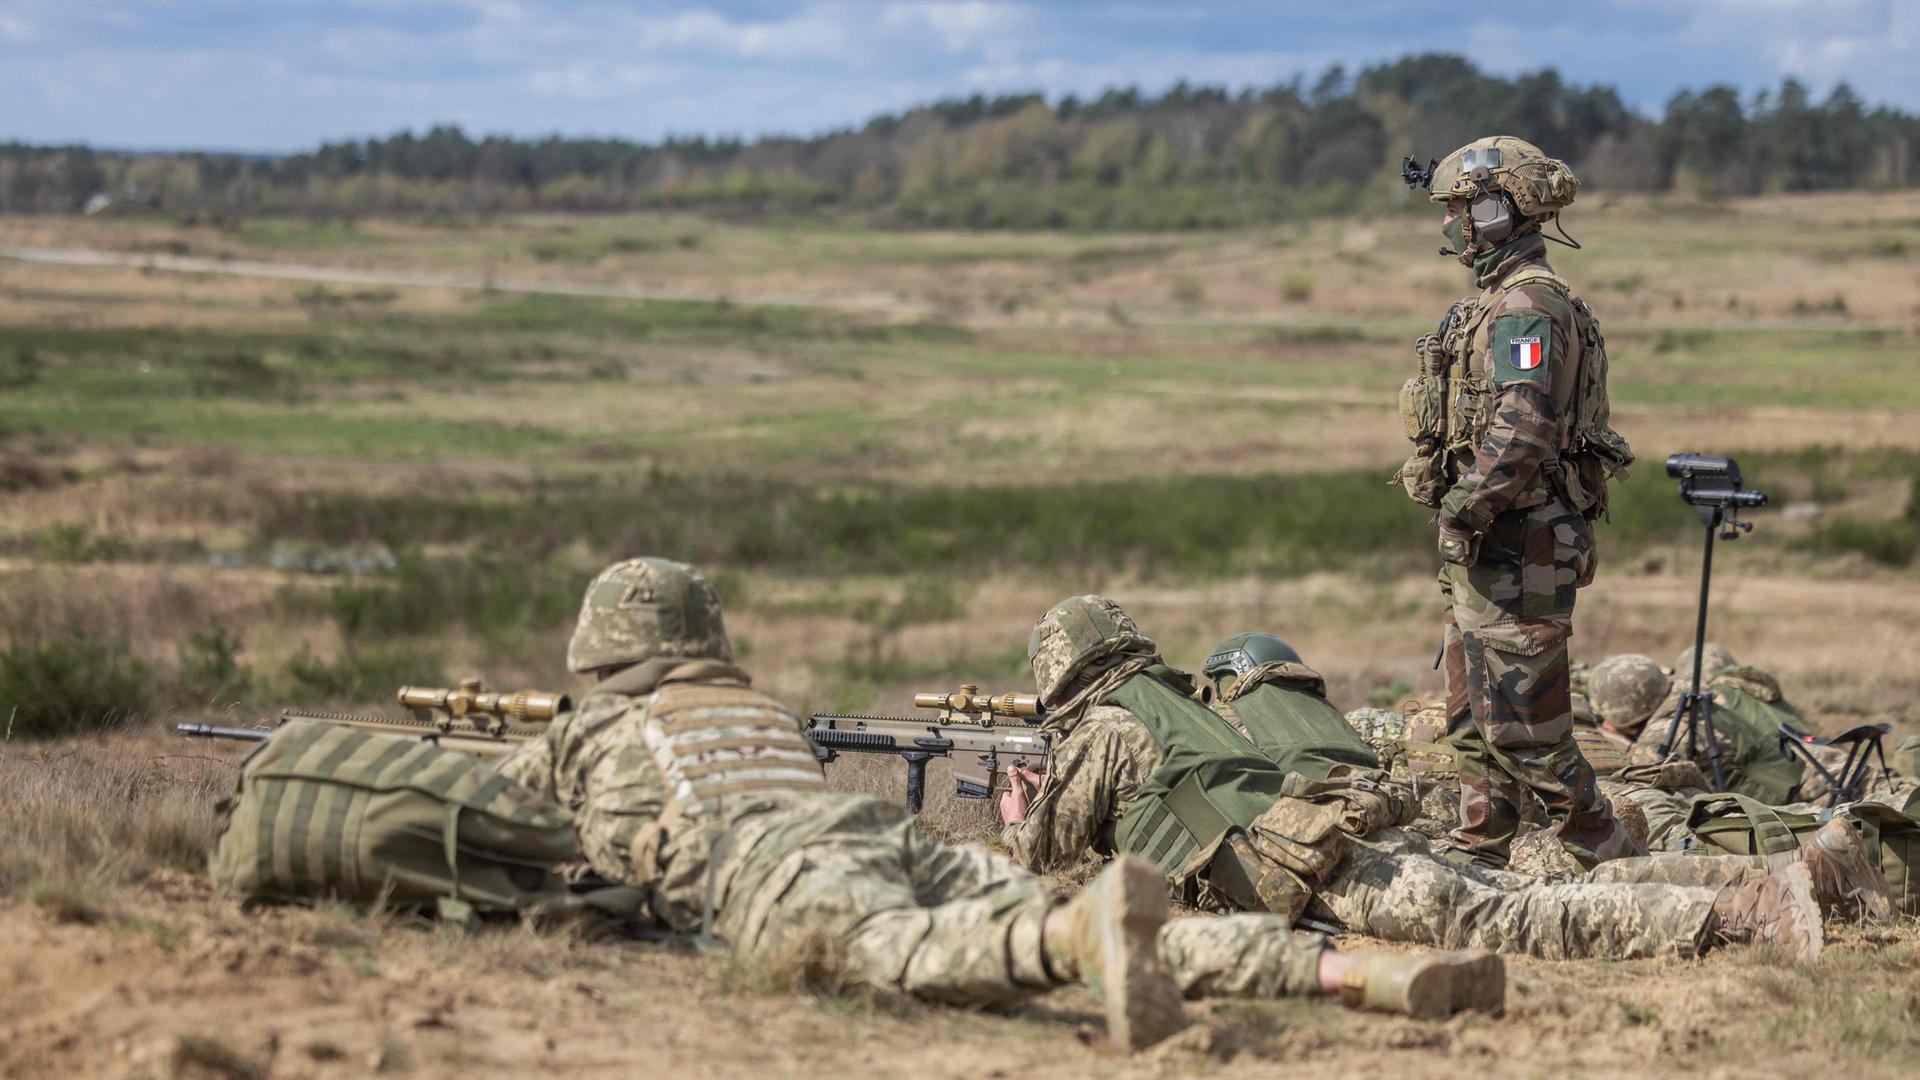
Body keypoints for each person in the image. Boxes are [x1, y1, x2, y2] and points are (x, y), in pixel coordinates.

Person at [495, 560, 1497, 1048]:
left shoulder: (592, 731)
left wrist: (1026, 817)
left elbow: (505, 830)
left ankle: (1095, 950)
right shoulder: (750, 712)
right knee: (1068, 918)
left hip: (785, 877)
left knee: (945, 949)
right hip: (864, 835)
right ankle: (1345, 973)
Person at [1000, 596, 1893, 965]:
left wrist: (1013, 811)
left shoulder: (1106, 728)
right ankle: (1797, 874)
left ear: (1060, 671)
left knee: (1509, 917)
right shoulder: (1177, 698)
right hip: (1342, 826)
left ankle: (1742, 915)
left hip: (1315, 863)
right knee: (1533, 881)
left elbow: (1042, 851)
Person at [1392, 136, 1636, 871]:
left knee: (1526, 728)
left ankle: (1612, 858)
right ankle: (1480, 851)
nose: (1452, 226)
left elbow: (1522, 423)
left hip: (1519, 543)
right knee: (1472, 718)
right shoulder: (1497, 303)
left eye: (1462, 209)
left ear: (1502, 211)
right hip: (1493, 544)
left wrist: (1465, 507)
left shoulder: (1528, 308)